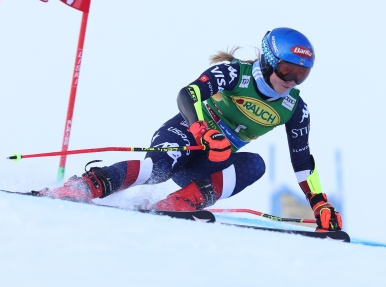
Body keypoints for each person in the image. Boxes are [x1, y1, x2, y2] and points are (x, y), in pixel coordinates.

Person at [38, 27, 343, 231]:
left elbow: (302, 162)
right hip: (185, 134)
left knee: (255, 164)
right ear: (268, 60)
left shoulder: (295, 108)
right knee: (157, 167)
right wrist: (202, 130)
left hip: (210, 161)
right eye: (287, 69)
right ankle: (86, 186)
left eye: (301, 74)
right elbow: (188, 94)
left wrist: (318, 203)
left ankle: (181, 202)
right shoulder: (235, 72)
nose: (291, 80)